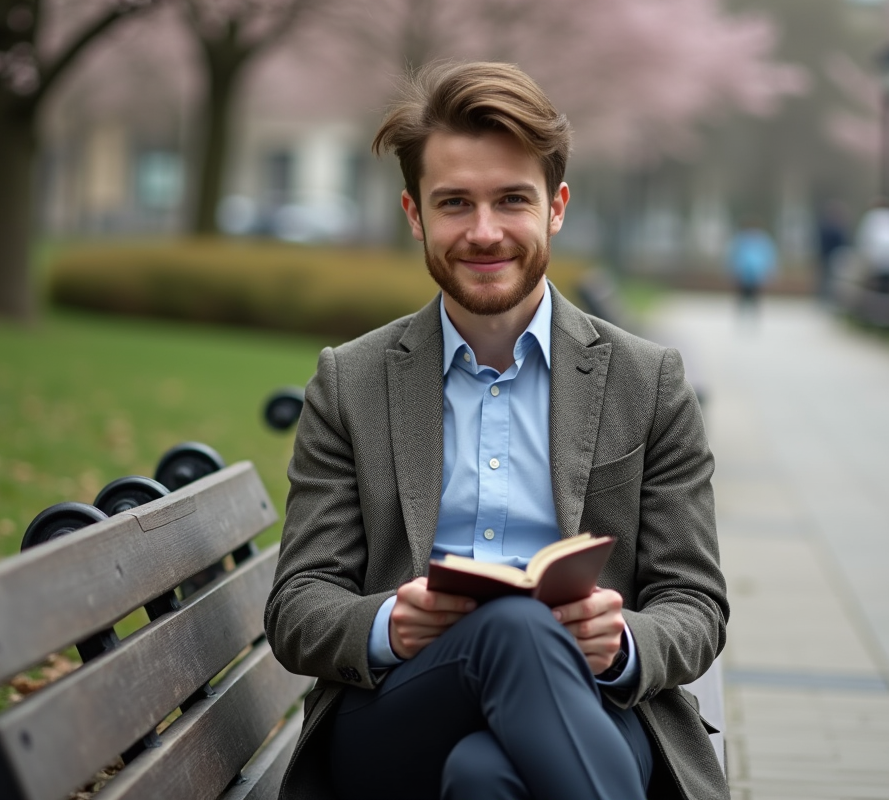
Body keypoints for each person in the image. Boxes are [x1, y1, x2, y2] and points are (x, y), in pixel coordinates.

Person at [265, 61, 728, 800]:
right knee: (512, 630)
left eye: (512, 200)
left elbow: (695, 604)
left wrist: (623, 644)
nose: (485, 233)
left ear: (557, 207)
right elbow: (299, 605)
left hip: (595, 704)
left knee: (485, 778)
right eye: (455, 203)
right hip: (396, 715)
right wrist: (390, 621)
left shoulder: (648, 382)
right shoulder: (350, 382)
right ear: (415, 215)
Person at [726, 219, 777, 319]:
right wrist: (733, 271)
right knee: (742, 296)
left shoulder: (763, 241)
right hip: (743, 274)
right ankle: (742, 315)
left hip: (756, 275)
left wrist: (770, 272)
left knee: (755, 296)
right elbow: (733, 257)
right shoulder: (740, 240)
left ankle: (753, 316)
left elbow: (769, 258)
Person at [815, 200, 848, 304]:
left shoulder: (834, 227)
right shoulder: (831, 227)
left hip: (835, 257)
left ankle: (831, 298)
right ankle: (825, 298)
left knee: (833, 279)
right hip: (829, 256)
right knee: (826, 279)